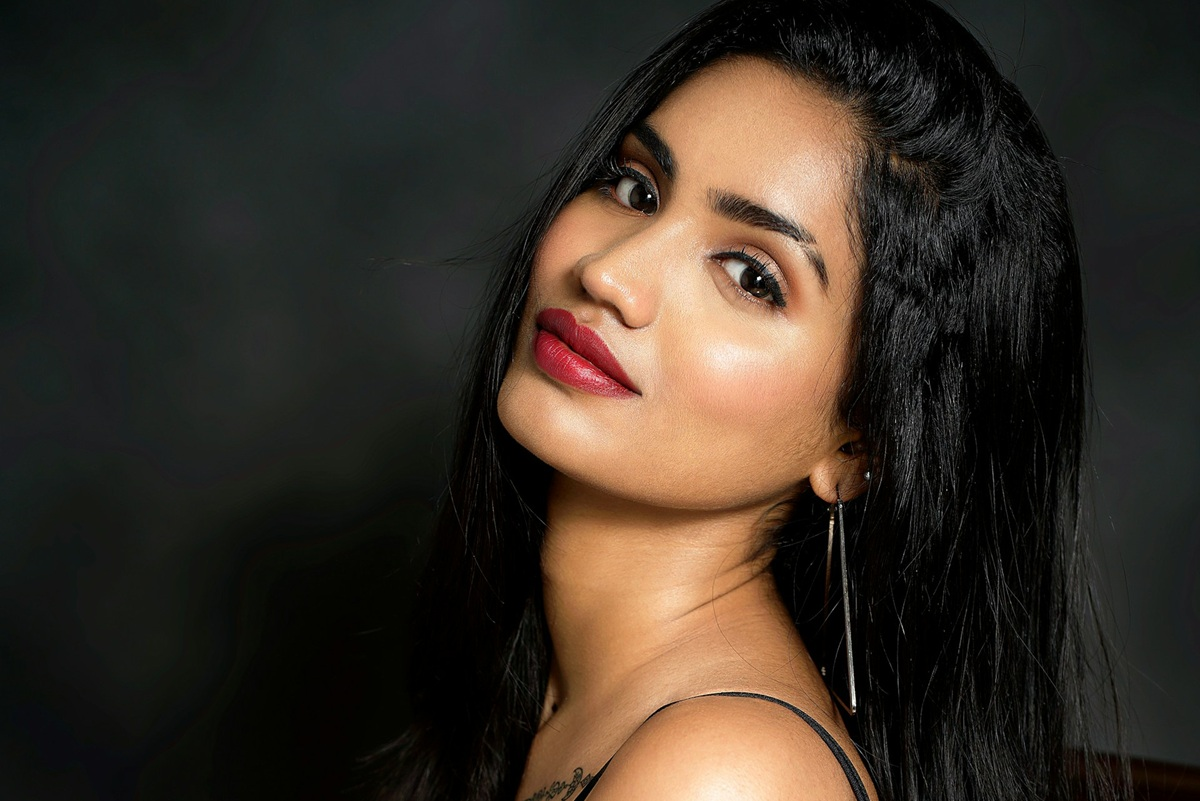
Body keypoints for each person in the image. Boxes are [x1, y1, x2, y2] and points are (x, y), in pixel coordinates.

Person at [373, 1, 1126, 800]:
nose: (609, 274)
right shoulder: (557, 695)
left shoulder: (726, 772)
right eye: (636, 188)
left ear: (856, 445)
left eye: (751, 276)